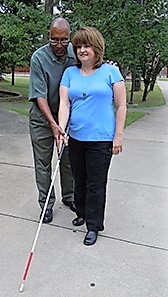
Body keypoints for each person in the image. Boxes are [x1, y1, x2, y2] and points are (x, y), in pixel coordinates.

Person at [58, 26, 126, 245]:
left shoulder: (110, 72)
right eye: (78, 46)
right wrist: (61, 130)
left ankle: (94, 225)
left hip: (101, 139)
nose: (82, 50)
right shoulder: (70, 73)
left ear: (97, 48)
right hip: (76, 137)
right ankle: (83, 213)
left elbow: (122, 105)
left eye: (87, 46)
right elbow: (64, 104)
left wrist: (118, 136)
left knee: (95, 184)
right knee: (80, 180)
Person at [28, 17, 76, 223]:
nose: (59, 45)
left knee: (67, 160)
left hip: (68, 118)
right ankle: (46, 204)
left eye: (64, 40)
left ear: (69, 37)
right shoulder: (38, 58)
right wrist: (53, 124)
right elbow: (40, 96)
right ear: (49, 37)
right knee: (43, 163)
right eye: (54, 40)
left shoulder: (77, 53)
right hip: (42, 118)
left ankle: (69, 196)